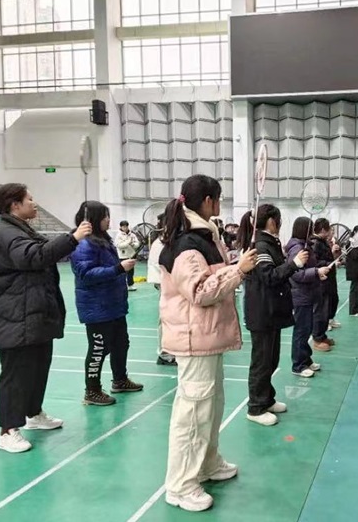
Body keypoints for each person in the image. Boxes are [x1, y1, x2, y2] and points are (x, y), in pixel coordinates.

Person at [159, 174, 257, 512]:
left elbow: (210, 276)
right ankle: (180, 485)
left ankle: (207, 463)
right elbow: (200, 291)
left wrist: (235, 266)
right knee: (193, 413)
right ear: (207, 201)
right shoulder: (187, 243)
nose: (220, 204)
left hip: (207, 336)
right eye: (218, 198)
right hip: (193, 337)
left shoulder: (205, 235)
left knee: (211, 406)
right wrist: (238, 271)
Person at [0, 183, 91, 453]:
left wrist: (70, 237)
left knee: (38, 366)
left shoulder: (21, 228)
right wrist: (73, 238)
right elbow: (34, 256)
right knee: (16, 374)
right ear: (14, 205)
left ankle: (33, 413)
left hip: (32, 312)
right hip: (13, 314)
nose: (34, 203)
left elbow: (44, 249)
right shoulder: (6, 232)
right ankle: (7, 430)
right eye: (29, 199)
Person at [237, 205, 309, 426]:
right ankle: (256, 407)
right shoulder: (260, 246)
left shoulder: (270, 243)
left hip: (272, 311)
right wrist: (294, 264)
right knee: (261, 362)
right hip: (262, 311)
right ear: (270, 221)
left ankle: (267, 399)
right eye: (278, 219)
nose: (280, 223)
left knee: (271, 360)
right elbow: (269, 276)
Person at [71, 201, 144, 406]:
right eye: (104, 216)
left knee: (121, 343)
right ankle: (92, 390)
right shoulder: (83, 243)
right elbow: (85, 274)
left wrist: (120, 267)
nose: (108, 220)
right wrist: (118, 269)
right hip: (97, 307)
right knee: (98, 349)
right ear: (93, 218)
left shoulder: (103, 239)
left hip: (114, 304)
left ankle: (120, 380)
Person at [285, 217, 331, 377]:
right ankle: (298, 365)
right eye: (310, 229)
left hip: (309, 293)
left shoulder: (306, 246)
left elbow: (307, 268)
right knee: (301, 331)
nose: (312, 232)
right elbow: (295, 273)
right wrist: (316, 272)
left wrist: (318, 274)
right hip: (300, 295)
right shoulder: (297, 248)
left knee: (307, 329)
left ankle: (306, 359)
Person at [147, 213, 176, 366]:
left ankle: (172, 350)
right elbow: (162, 266)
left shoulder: (172, 239)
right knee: (166, 318)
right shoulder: (160, 243)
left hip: (172, 284)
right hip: (165, 284)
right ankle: (165, 354)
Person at [310, 218, 337, 346]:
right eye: (329, 229)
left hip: (329, 280)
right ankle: (317, 338)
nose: (331, 231)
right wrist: (327, 263)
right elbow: (314, 262)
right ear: (322, 230)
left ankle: (323, 335)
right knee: (320, 311)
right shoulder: (315, 243)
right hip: (321, 282)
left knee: (327, 310)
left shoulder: (323, 242)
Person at [115, 220, 140, 291]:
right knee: (122, 272)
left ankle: (130, 284)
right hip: (123, 256)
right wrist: (128, 242)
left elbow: (137, 244)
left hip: (131, 255)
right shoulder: (118, 235)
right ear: (121, 227)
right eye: (123, 226)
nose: (125, 228)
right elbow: (118, 245)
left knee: (131, 271)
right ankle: (121, 285)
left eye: (126, 226)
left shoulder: (132, 235)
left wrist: (133, 244)